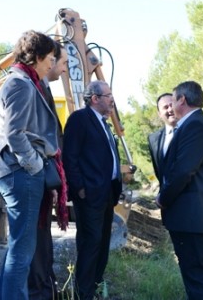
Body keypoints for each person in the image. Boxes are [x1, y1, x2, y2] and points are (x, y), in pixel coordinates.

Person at [0, 30, 60, 299]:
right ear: (37, 57)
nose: (52, 64)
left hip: (17, 172)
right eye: (50, 58)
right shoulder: (21, 84)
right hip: (20, 173)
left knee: (19, 249)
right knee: (22, 252)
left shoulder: (24, 81)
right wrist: (36, 165)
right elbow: (14, 134)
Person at [148, 92, 203, 300]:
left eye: (172, 104)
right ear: (159, 113)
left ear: (180, 104)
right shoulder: (154, 139)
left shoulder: (196, 129)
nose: (169, 109)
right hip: (178, 216)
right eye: (164, 107)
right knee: (193, 268)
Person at [62, 81, 122, 300]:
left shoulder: (104, 123)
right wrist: (79, 189)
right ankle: (82, 294)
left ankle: (94, 288)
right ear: (95, 98)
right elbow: (70, 157)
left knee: (102, 244)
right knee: (90, 244)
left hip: (107, 194)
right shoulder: (80, 119)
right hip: (89, 195)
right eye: (108, 95)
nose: (112, 99)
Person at [28, 42, 69, 300]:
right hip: (34, 175)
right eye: (61, 62)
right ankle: (37, 291)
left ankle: (45, 288)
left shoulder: (43, 86)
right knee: (32, 243)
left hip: (44, 174)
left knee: (42, 239)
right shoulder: (27, 85)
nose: (61, 68)